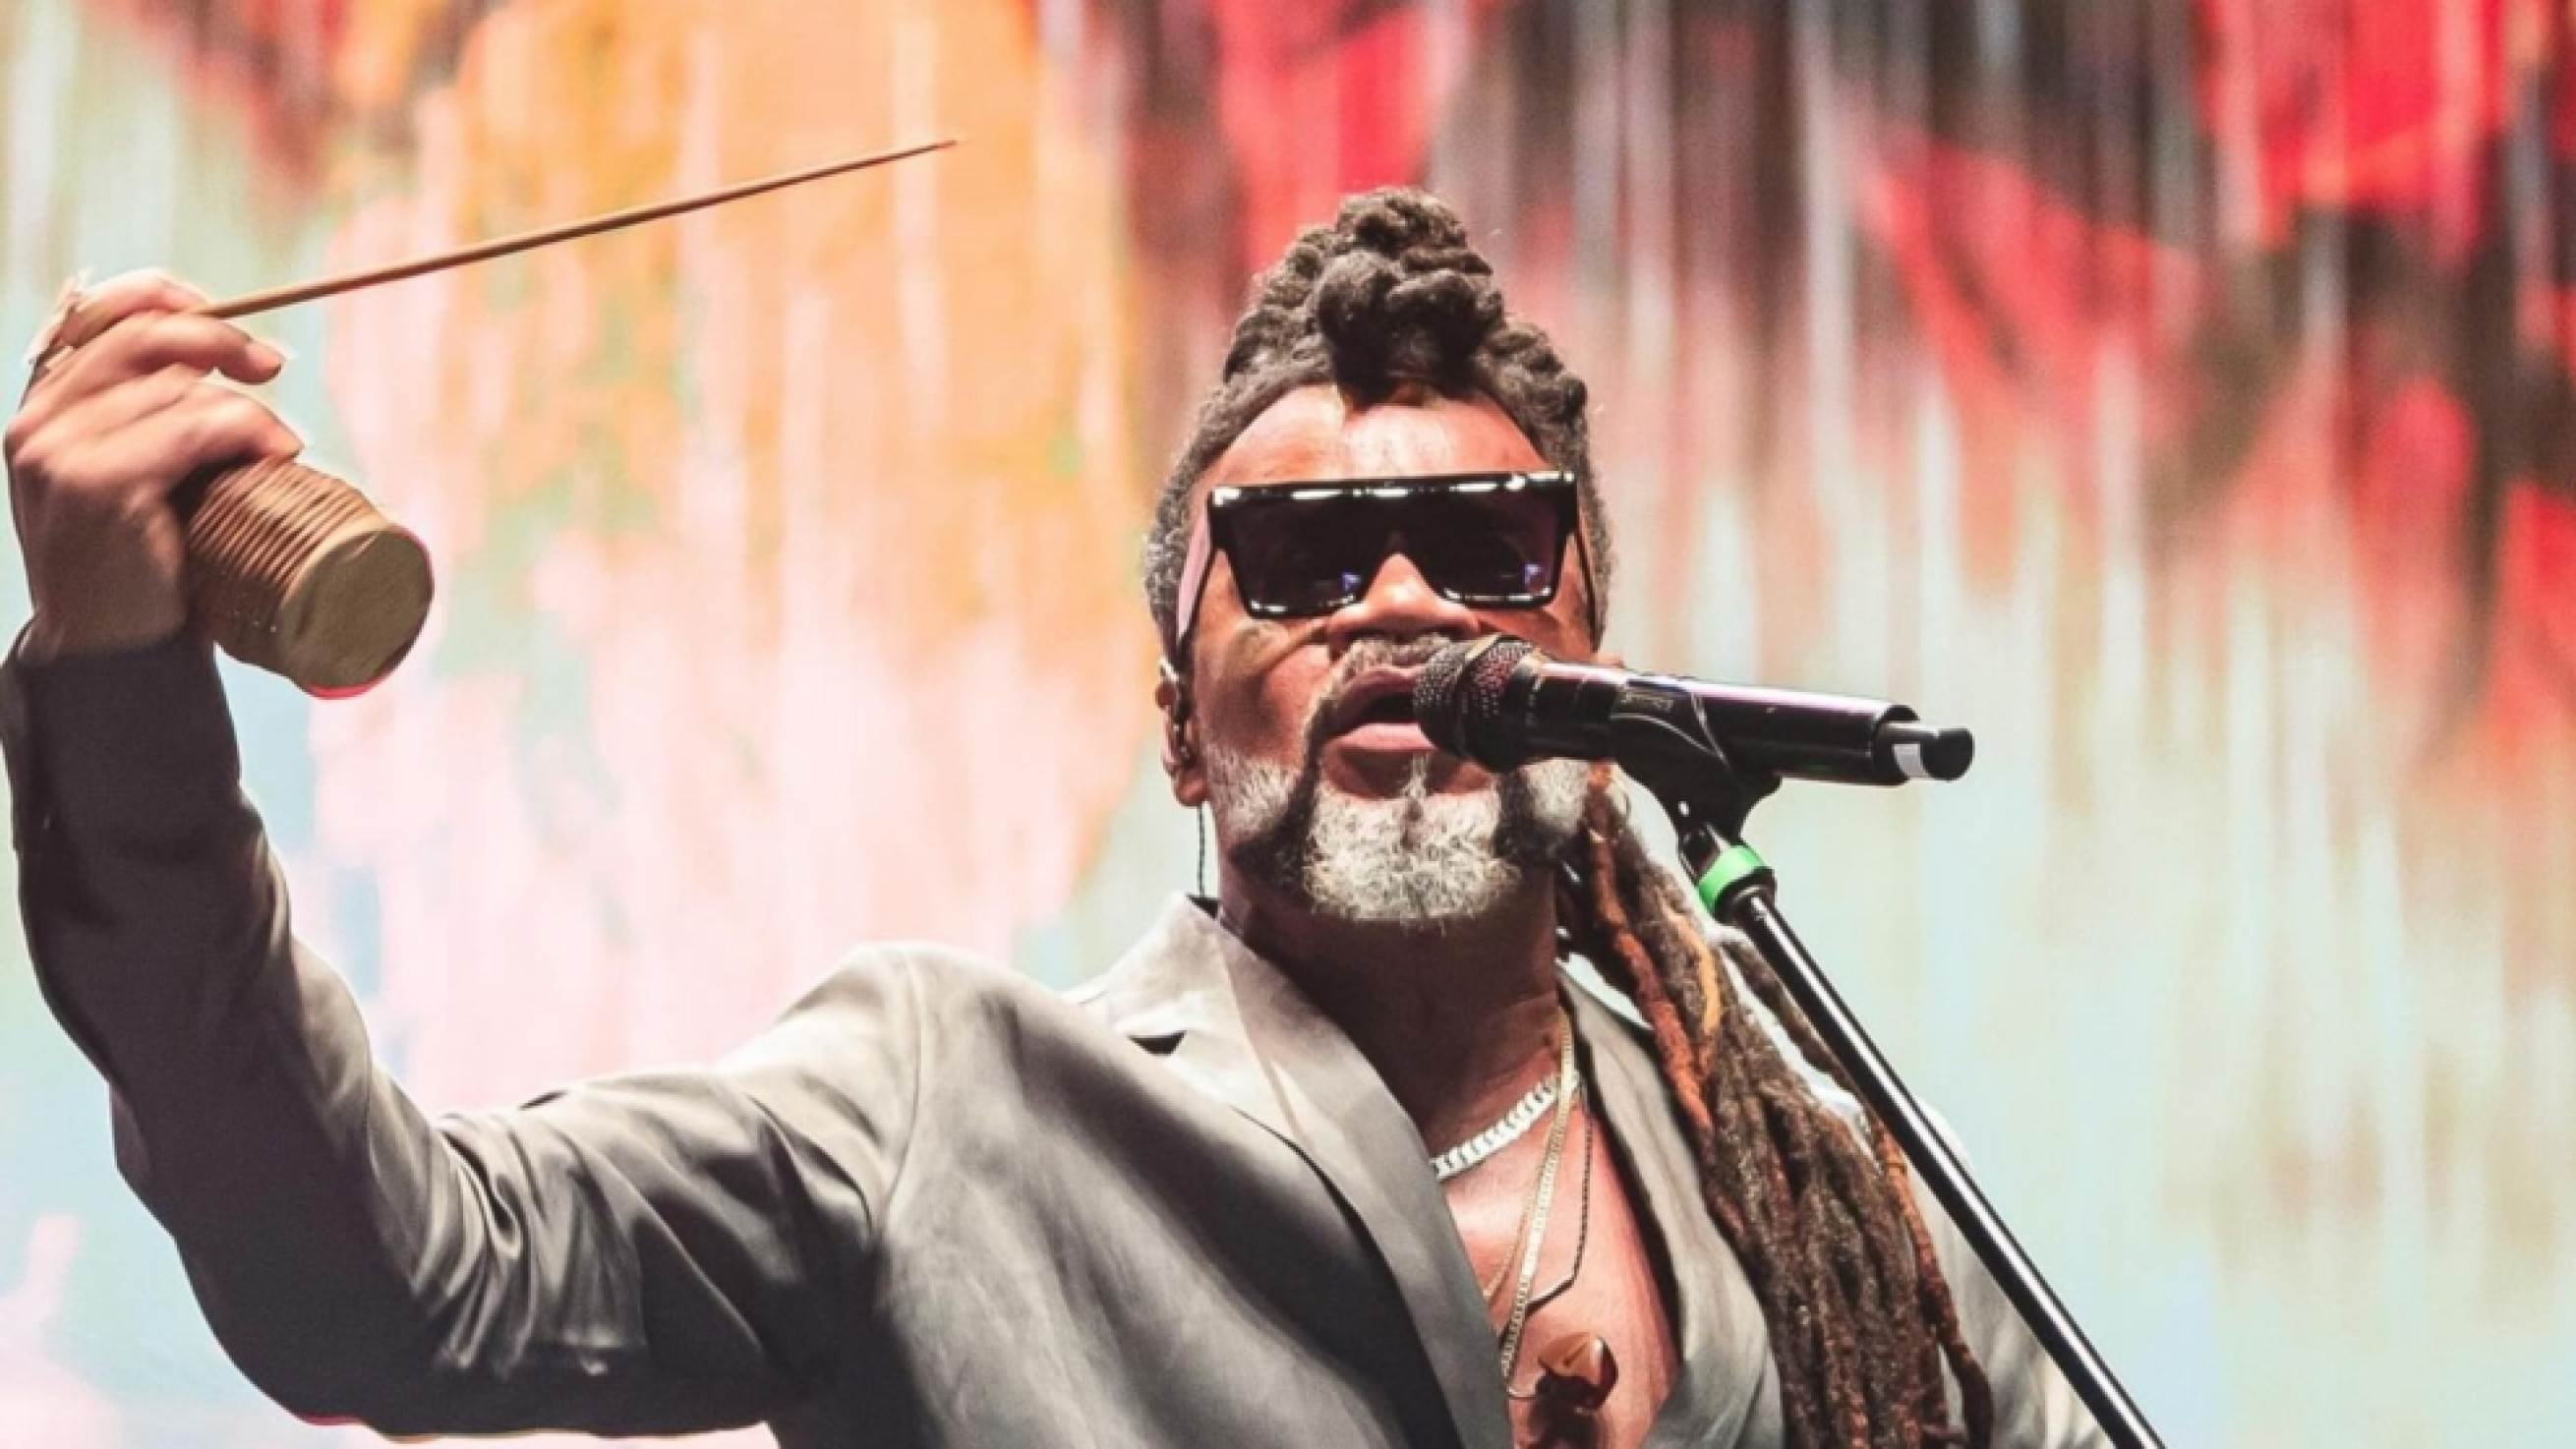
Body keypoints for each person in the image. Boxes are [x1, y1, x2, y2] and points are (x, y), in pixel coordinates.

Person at [1, 188, 2104, 1449]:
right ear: (1179, 727)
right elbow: (392, 1280)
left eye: (1481, 543)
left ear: (1590, 655)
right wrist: (122, 685)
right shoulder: (943, 1106)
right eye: (1300, 561)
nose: (1397, 599)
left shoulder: (1824, 1188)